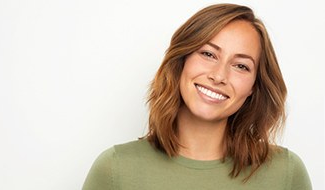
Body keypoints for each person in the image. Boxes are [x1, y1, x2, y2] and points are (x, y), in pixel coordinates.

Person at [82, 3, 312, 190]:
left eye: (241, 66)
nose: (219, 75)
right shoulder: (116, 169)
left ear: (254, 86)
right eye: (208, 54)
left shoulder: (285, 174)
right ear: (181, 61)